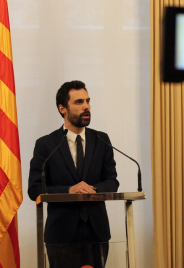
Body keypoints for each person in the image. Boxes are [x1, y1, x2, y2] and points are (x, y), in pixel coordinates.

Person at [28, 80, 119, 268]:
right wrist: (69, 190)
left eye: (87, 101)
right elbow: (34, 189)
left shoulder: (102, 139)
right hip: (61, 235)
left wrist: (93, 189)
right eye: (79, 102)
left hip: (97, 234)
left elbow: (112, 181)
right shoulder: (46, 145)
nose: (86, 106)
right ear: (63, 109)